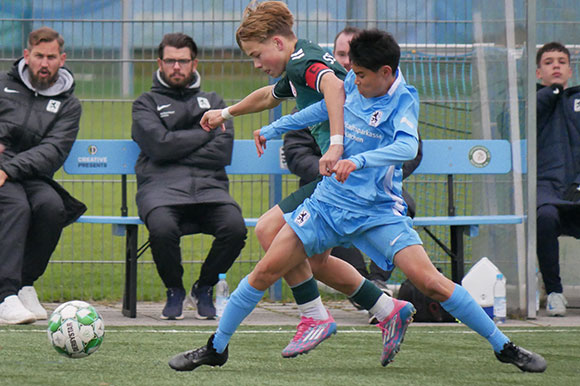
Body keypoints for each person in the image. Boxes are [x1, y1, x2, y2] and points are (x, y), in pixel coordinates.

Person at [168, 29, 547, 374]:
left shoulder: (402, 100)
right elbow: (322, 108)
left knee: (430, 282)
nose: (354, 81)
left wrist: (358, 158)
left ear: (385, 72)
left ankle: (505, 347)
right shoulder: (353, 81)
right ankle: (216, 347)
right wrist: (273, 127)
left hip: (377, 211)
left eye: (362, 76)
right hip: (328, 204)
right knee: (265, 269)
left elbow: (406, 146)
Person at [198, 0, 405, 358]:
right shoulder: (297, 66)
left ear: (278, 43)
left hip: (348, 179)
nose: (256, 64)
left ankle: (314, 316)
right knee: (314, 260)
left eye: (257, 54)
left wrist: (336, 144)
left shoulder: (304, 62)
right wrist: (226, 113)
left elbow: (333, 87)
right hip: (348, 179)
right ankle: (387, 309)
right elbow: (268, 96)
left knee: (268, 230)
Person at [283, 26, 423, 311]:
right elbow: (296, 151)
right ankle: (363, 292)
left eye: (353, 57)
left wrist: (367, 171)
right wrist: (332, 170)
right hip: (323, 184)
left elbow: (411, 151)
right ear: (331, 56)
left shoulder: (394, 97)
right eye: (342, 54)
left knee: (403, 205)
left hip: (376, 190)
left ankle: (377, 283)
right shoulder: (319, 92)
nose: (348, 62)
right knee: (323, 216)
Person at [131, 33, 247, 320]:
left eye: (183, 61)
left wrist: (172, 146)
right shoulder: (145, 103)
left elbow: (222, 152)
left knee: (235, 228)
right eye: (170, 61)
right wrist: (201, 135)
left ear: (194, 63)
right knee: (161, 228)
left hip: (210, 190)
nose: (176, 67)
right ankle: (175, 290)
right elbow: (157, 146)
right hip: (160, 190)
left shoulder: (214, 101)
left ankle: (203, 288)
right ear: (160, 63)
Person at [0, 27, 86, 324]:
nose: (44, 63)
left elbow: (53, 151)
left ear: (62, 59)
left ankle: (24, 284)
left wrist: (9, 167)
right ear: (27, 55)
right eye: (38, 56)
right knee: (16, 206)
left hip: (28, 174)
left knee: (52, 207)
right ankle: (4, 295)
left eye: (51, 57)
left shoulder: (69, 105)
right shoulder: (2, 86)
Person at [536, 41, 579, 317]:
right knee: (546, 217)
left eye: (561, 62)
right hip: (546, 192)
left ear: (570, 70)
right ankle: (554, 292)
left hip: (576, 190)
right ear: (539, 72)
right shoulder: (532, 103)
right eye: (549, 62)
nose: (556, 66)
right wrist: (553, 91)